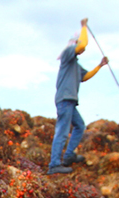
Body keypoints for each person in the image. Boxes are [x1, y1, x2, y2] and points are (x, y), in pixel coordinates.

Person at [47, 18, 109, 175]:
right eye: (79, 46)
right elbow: (82, 44)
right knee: (62, 131)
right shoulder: (68, 54)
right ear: (74, 44)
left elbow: (85, 76)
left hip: (70, 101)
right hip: (64, 100)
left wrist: (100, 66)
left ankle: (68, 156)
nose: (82, 50)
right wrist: (84, 28)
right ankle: (54, 165)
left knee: (79, 125)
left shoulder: (75, 64)